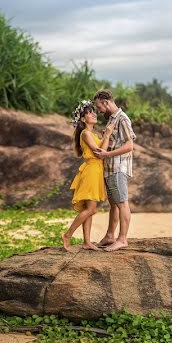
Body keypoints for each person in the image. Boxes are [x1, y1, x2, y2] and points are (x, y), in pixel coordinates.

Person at [62, 99, 114, 250]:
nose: (94, 114)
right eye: (89, 113)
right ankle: (67, 235)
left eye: (93, 111)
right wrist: (107, 136)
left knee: (89, 208)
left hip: (95, 171)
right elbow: (100, 154)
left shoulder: (91, 133)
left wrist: (104, 137)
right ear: (83, 119)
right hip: (91, 171)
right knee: (91, 209)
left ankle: (87, 242)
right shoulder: (86, 133)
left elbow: (100, 151)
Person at [92, 89, 136, 252]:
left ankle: (122, 239)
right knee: (114, 204)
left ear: (106, 102)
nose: (99, 110)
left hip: (118, 168)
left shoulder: (122, 119)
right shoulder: (112, 119)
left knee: (122, 203)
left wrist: (107, 154)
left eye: (99, 106)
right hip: (110, 168)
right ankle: (110, 236)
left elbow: (129, 145)